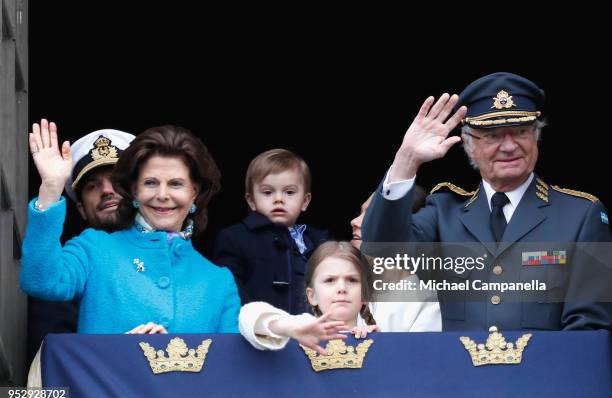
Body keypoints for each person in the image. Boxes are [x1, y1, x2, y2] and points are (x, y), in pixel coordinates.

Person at [362, 72, 612, 331]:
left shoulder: (580, 215)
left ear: (536, 136)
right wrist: (406, 160)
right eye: (492, 135)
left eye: (520, 131)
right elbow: (383, 250)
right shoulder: (444, 212)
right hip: (461, 371)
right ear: (470, 145)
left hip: (542, 371)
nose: (509, 146)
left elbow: (588, 330)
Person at [21, 120, 240, 333]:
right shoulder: (94, 248)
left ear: (195, 193)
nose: (162, 195)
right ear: (134, 192)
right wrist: (50, 189)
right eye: (150, 183)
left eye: (176, 183)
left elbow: (228, 364)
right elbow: (40, 281)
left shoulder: (220, 281)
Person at [27, 127, 136, 361]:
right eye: (92, 186)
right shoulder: (70, 265)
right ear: (81, 210)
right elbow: (56, 360)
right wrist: (51, 189)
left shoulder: (189, 261)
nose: (107, 190)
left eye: (117, 181)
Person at [214, 149, 327, 314]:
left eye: (289, 192)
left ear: (305, 201)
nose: (279, 199)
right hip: (259, 333)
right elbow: (229, 291)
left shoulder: (317, 242)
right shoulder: (235, 238)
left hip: (311, 332)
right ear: (251, 201)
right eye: (268, 192)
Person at [239, 241, 378, 353]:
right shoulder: (302, 324)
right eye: (330, 280)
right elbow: (248, 315)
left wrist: (380, 341)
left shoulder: (374, 332)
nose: (342, 288)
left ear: (365, 294)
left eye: (352, 280)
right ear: (312, 296)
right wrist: (288, 329)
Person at [351, 193, 441, 332]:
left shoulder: (427, 304)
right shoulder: (344, 291)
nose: (354, 221)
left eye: (370, 215)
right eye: (361, 213)